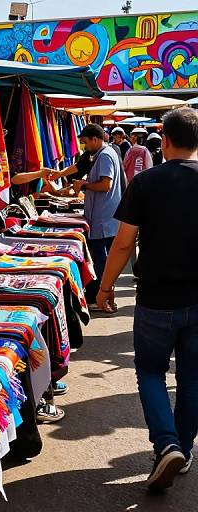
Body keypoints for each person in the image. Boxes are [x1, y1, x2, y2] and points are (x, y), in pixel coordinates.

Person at [97, 107, 198, 491]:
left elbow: (124, 243)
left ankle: (167, 444)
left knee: (151, 372)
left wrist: (104, 290)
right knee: (192, 379)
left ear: (165, 140)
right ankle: (182, 451)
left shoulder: (146, 182)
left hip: (156, 298)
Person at [72, 124, 122, 309]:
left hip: (103, 218)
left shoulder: (105, 155)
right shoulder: (105, 154)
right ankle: (108, 300)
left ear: (95, 139)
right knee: (105, 262)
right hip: (105, 217)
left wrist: (83, 185)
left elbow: (105, 185)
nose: (84, 147)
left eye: (85, 142)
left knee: (101, 263)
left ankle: (105, 301)